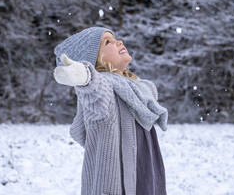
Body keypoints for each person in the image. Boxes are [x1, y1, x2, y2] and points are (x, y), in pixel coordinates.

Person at [53, 26, 168, 195]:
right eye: (108, 42)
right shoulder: (104, 88)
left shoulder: (136, 90)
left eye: (115, 39)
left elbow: (149, 94)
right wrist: (84, 76)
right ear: (94, 61)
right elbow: (95, 90)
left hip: (145, 176)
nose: (119, 42)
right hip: (114, 186)